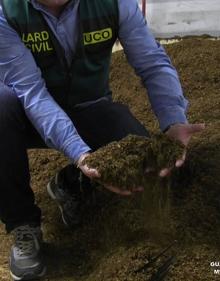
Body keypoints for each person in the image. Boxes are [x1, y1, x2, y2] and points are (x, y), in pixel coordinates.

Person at [0, 0, 204, 279]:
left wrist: (174, 120)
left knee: (146, 164)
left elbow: (152, 63)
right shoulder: (6, 11)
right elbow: (32, 93)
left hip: (90, 106)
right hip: (24, 115)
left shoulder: (115, 3)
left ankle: (72, 183)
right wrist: (81, 152)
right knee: (1, 105)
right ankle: (23, 225)